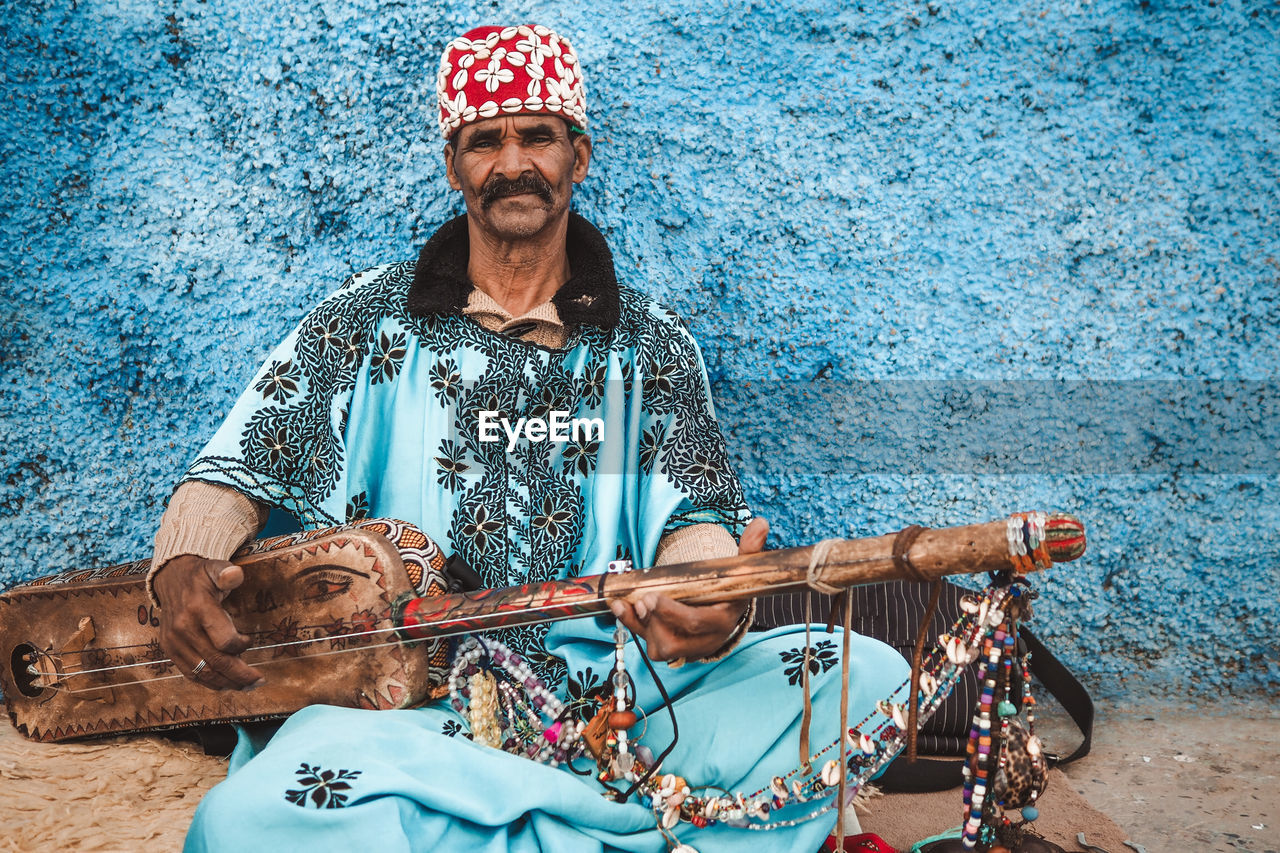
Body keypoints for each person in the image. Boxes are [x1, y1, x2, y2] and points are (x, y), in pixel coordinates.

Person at [149, 24, 908, 852]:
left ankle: (515, 823)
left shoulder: (646, 345)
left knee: (865, 679)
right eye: (484, 142)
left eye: (537, 136)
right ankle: (621, 827)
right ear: (454, 167)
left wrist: (705, 602)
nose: (513, 163)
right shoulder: (366, 322)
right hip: (416, 707)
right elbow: (238, 463)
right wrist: (183, 564)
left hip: (622, 696)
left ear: (578, 157)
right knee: (247, 821)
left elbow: (689, 517)